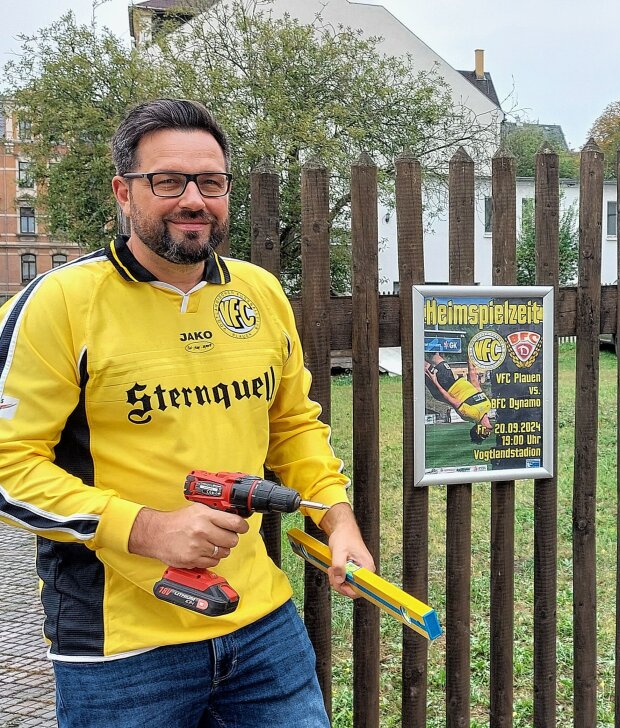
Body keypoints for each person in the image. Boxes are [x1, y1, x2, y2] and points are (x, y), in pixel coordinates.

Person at [0, 99, 373, 727]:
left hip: (261, 628)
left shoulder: (259, 293)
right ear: (124, 192)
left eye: (211, 182)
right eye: (168, 181)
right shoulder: (60, 303)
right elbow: (9, 465)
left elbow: (293, 427)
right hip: (120, 649)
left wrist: (338, 520)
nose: (194, 200)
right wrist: (148, 528)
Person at [423, 351, 493, 443]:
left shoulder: (471, 415)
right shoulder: (487, 405)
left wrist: (435, 381)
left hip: (444, 387)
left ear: (479, 429)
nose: (488, 433)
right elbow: (475, 383)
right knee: (435, 357)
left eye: (485, 434)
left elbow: (449, 398)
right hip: (450, 380)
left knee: (423, 365)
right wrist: (470, 360)